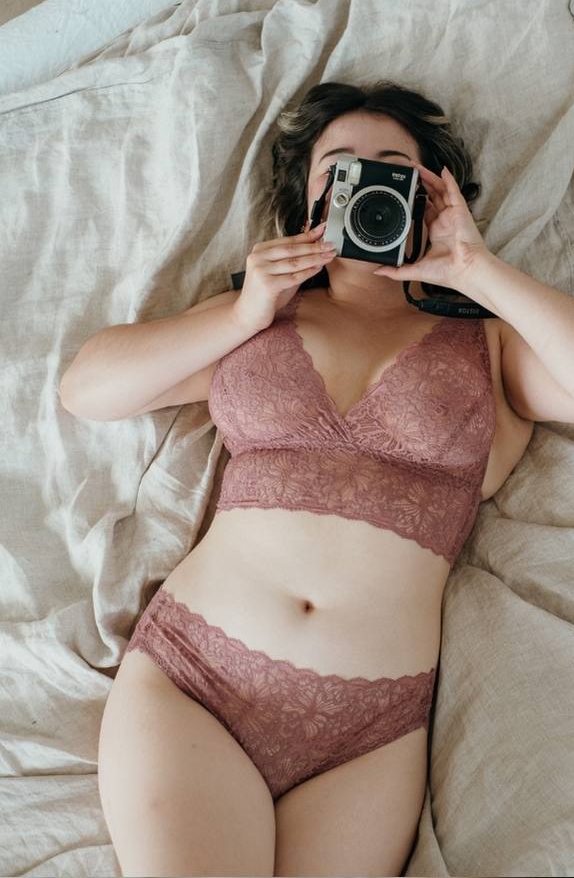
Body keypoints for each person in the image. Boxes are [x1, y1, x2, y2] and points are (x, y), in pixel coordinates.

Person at [60, 79, 522, 877]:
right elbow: (87, 390)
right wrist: (242, 313)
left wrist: (476, 269)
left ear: (431, 189)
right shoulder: (262, 316)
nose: (366, 180)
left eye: (392, 165)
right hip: (197, 679)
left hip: (369, 734)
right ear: (309, 196)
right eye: (338, 166)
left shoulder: (485, 337)